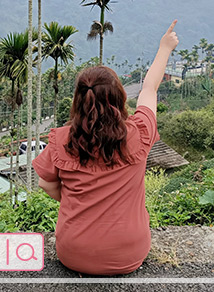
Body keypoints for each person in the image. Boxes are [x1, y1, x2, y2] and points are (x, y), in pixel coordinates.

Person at [32, 20, 179, 276]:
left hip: (74, 252)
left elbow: (46, 184)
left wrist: (78, 204)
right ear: (119, 97)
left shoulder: (62, 140)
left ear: (78, 100)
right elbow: (149, 89)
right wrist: (165, 47)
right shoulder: (139, 131)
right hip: (129, 253)